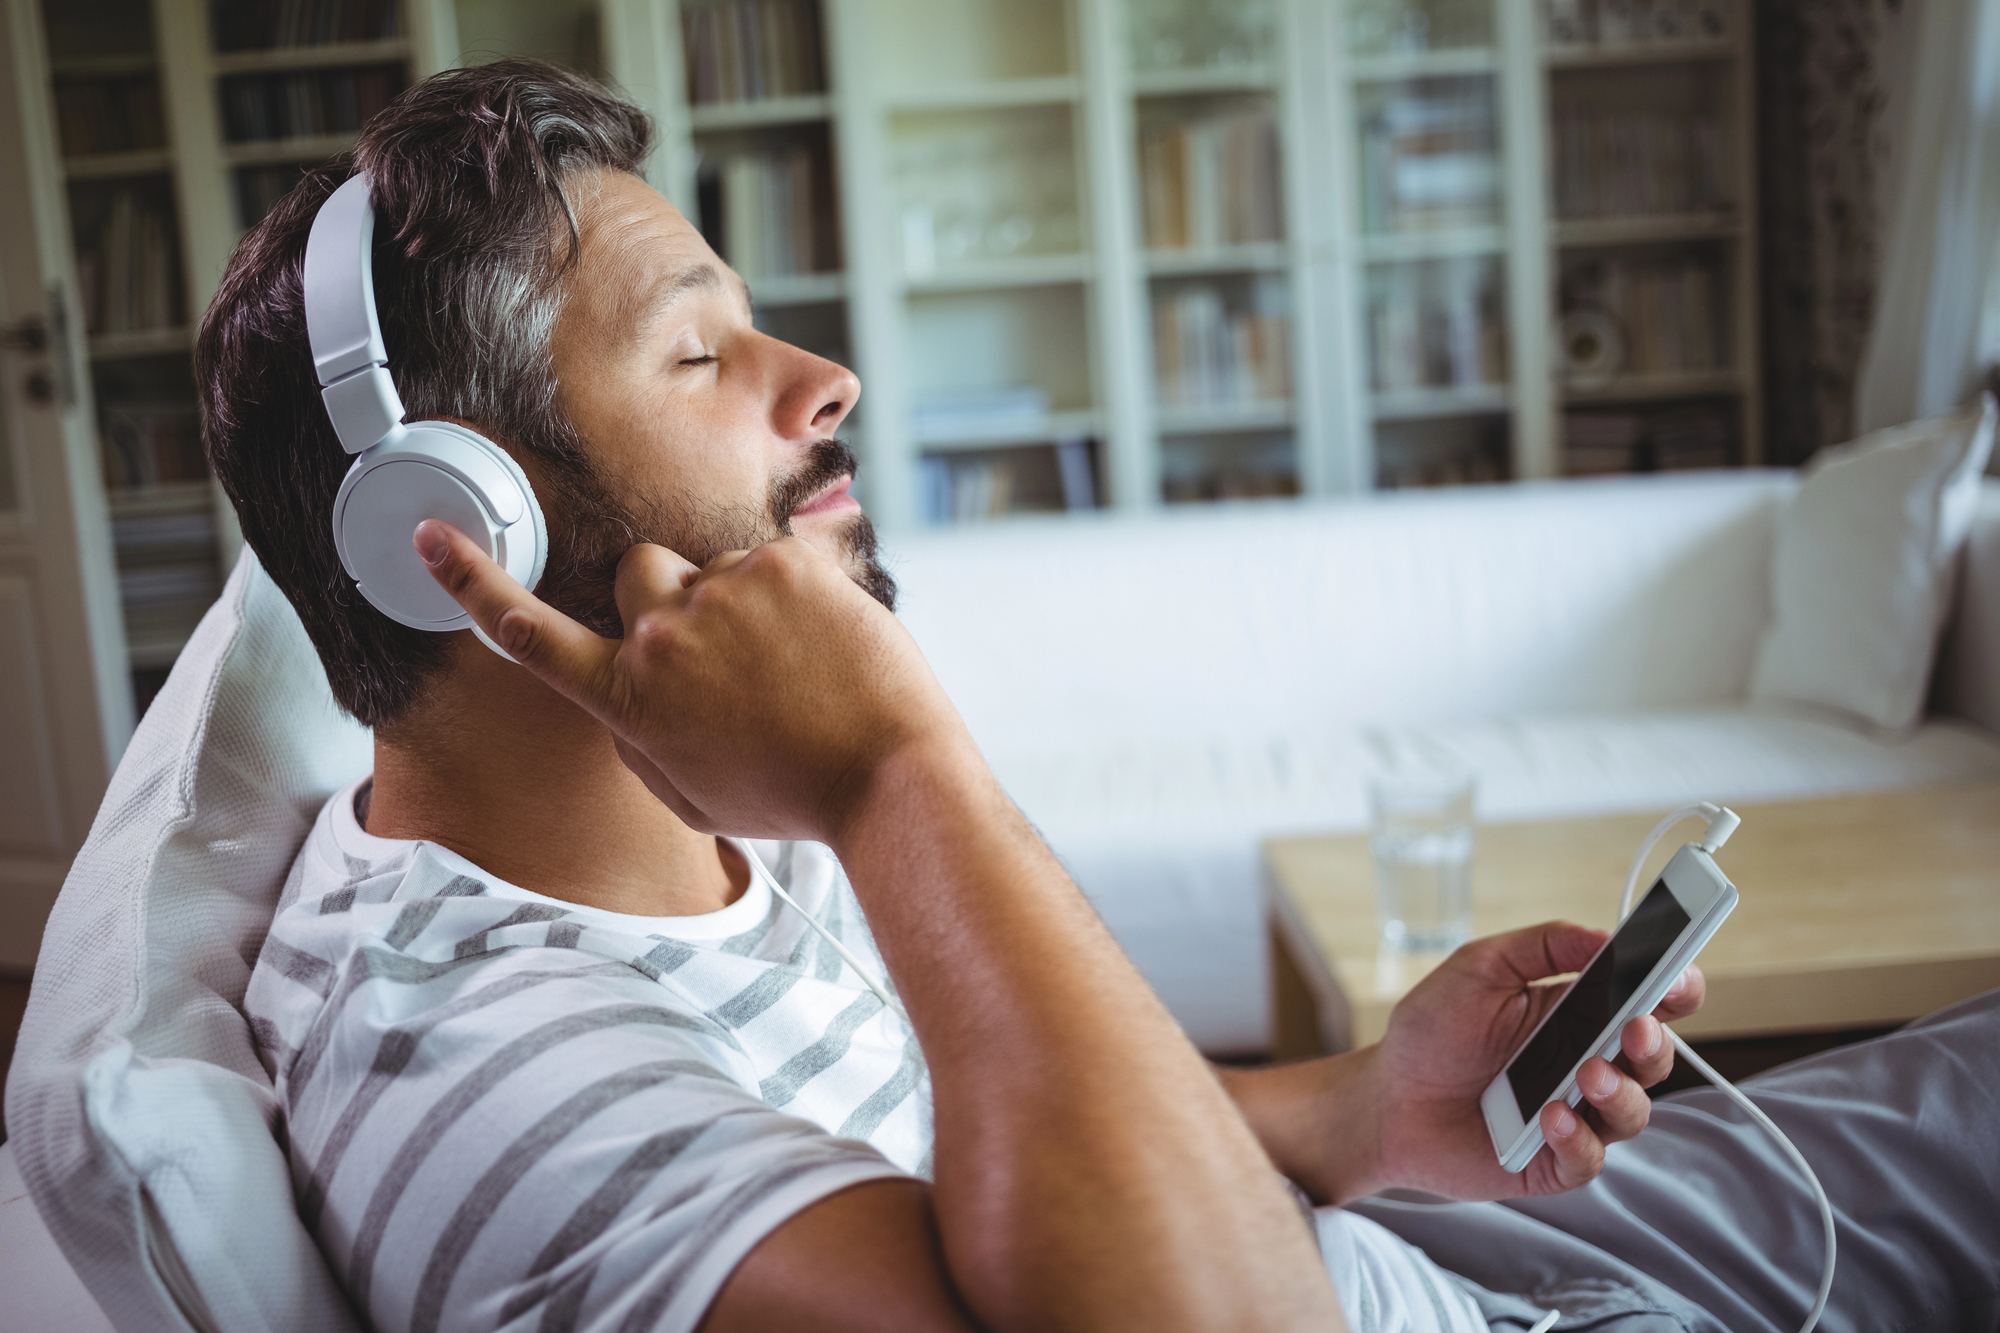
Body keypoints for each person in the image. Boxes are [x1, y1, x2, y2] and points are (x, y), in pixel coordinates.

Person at [206, 61, 2000, 1333]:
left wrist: (1362, 1110)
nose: (824, 379)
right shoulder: (496, 1084)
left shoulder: (682, 799)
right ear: (452, 525)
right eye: (698, 347)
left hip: (1393, 1246)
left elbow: (992, 1168)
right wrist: (897, 764)